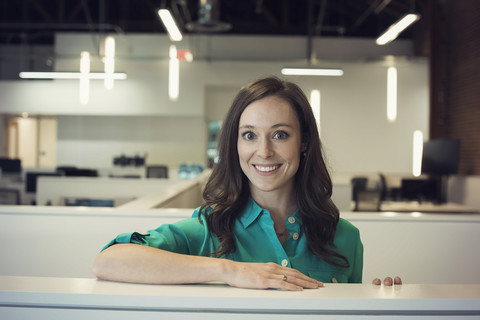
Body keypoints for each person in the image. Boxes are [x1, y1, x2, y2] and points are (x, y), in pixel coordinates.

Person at [93, 76, 401, 290]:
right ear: (235, 144)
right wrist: (228, 270)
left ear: (304, 142)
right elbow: (109, 262)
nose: (264, 151)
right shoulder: (210, 228)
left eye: (280, 134)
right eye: (249, 135)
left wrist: (384, 303)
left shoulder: (345, 237)